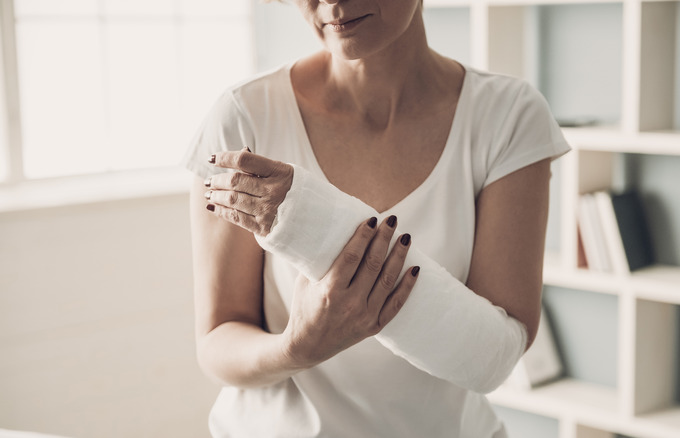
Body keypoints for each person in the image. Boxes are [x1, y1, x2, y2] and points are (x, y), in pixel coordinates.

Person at [183, 0, 570, 435]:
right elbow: (217, 340)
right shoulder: (243, 116)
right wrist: (297, 349)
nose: (331, 3)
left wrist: (308, 221)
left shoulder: (509, 115)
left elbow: (495, 356)